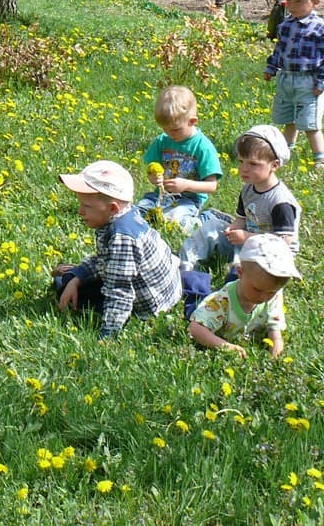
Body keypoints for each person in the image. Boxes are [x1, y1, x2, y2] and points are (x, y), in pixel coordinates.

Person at [53, 160, 182, 338]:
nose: (80, 212)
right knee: (73, 279)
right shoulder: (128, 214)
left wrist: (108, 334)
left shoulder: (122, 239)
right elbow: (106, 259)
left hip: (149, 305)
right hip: (166, 290)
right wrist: (78, 277)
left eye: (86, 206)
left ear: (112, 208)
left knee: (63, 286)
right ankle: (75, 273)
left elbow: (119, 291)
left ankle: (70, 275)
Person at [178, 125, 301, 271]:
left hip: (271, 255)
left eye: (253, 164)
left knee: (245, 268)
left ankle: (236, 281)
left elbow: (283, 243)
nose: (244, 168)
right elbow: (243, 218)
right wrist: (234, 229)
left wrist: (247, 237)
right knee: (212, 227)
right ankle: (184, 266)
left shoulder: (280, 202)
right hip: (246, 240)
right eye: (241, 161)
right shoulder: (248, 189)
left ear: (274, 165)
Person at [188, 232, 300, 359]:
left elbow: (274, 329)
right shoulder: (222, 301)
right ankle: (193, 279)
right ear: (240, 272)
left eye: (272, 292)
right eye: (257, 289)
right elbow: (195, 328)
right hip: (209, 313)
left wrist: (276, 348)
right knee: (194, 300)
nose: (264, 297)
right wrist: (224, 346)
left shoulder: (273, 295)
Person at [138, 85, 222, 236]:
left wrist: (186, 185)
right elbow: (153, 170)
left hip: (189, 199)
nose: (170, 134)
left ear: (192, 121)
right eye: (165, 129)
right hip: (161, 196)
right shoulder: (162, 141)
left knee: (177, 224)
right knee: (136, 215)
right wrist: (154, 178)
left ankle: (208, 218)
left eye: (175, 129)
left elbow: (212, 185)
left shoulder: (203, 147)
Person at [264, 0, 324, 169]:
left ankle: (319, 158)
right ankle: (286, 152)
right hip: (286, 78)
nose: (292, 5)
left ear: (316, 1)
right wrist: (271, 68)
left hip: (309, 81)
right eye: (289, 0)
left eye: (299, 1)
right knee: (288, 118)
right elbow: (279, 49)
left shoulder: (319, 28)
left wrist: (321, 82)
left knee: (309, 123)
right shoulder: (285, 25)